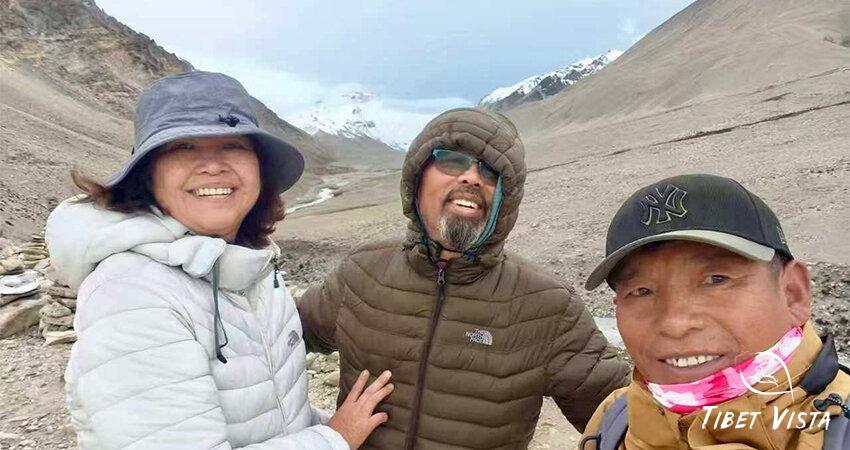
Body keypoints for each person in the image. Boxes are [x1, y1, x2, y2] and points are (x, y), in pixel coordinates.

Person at [46, 71, 392, 449]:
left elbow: (273, 413)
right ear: (148, 174)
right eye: (183, 147)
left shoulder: (253, 272)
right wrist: (334, 438)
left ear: (259, 168)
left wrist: (340, 428)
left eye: (232, 145)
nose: (212, 165)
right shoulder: (130, 294)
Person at [298, 108, 630, 449]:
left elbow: (628, 416)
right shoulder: (363, 273)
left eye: (490, 170)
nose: (472, 177)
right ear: (417, 177)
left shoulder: (546, 305)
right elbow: (277, 336)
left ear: (506, 198)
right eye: (452, 161)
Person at [579, 174, 850, 449]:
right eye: (641, 291)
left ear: (793, 293)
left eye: (716, 280)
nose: (675, 324)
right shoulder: (614, 419)